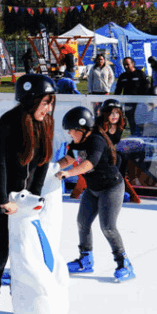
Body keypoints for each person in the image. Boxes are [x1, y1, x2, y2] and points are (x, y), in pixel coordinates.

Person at [0, 73, 56, 314]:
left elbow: (42, 163)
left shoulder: (45, 123)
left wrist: (33, 198)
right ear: (30, 100)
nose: (48, 108)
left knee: (26, 254)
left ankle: (24, 304)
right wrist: (3, 201)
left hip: (23, 200)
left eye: (51, 102)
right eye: (45, 102)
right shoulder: (8, 124)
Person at [56, 106, 135, 282]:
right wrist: (51, 167)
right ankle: (86, 260)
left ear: (82, 129)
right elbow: (69, 159)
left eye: (71, 130)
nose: (69, 133)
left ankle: (124, 263)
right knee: (82, 222)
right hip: (93, 189)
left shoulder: (96, 141)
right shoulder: (78, 142)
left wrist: (68, 173)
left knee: (108, 226)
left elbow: (89, 164)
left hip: (111, 188)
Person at [114, 57, 149, 136]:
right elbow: (118, 90)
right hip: (128, 104)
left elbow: (146, 89)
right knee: (131, 122)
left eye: (127, 64)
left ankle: (142, 138)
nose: (126, 66)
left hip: (140, 104)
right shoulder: (122, 76)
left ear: (133, 64)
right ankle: (134, 137)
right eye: (124, 65)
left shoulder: (141, 74)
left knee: (141, 123)